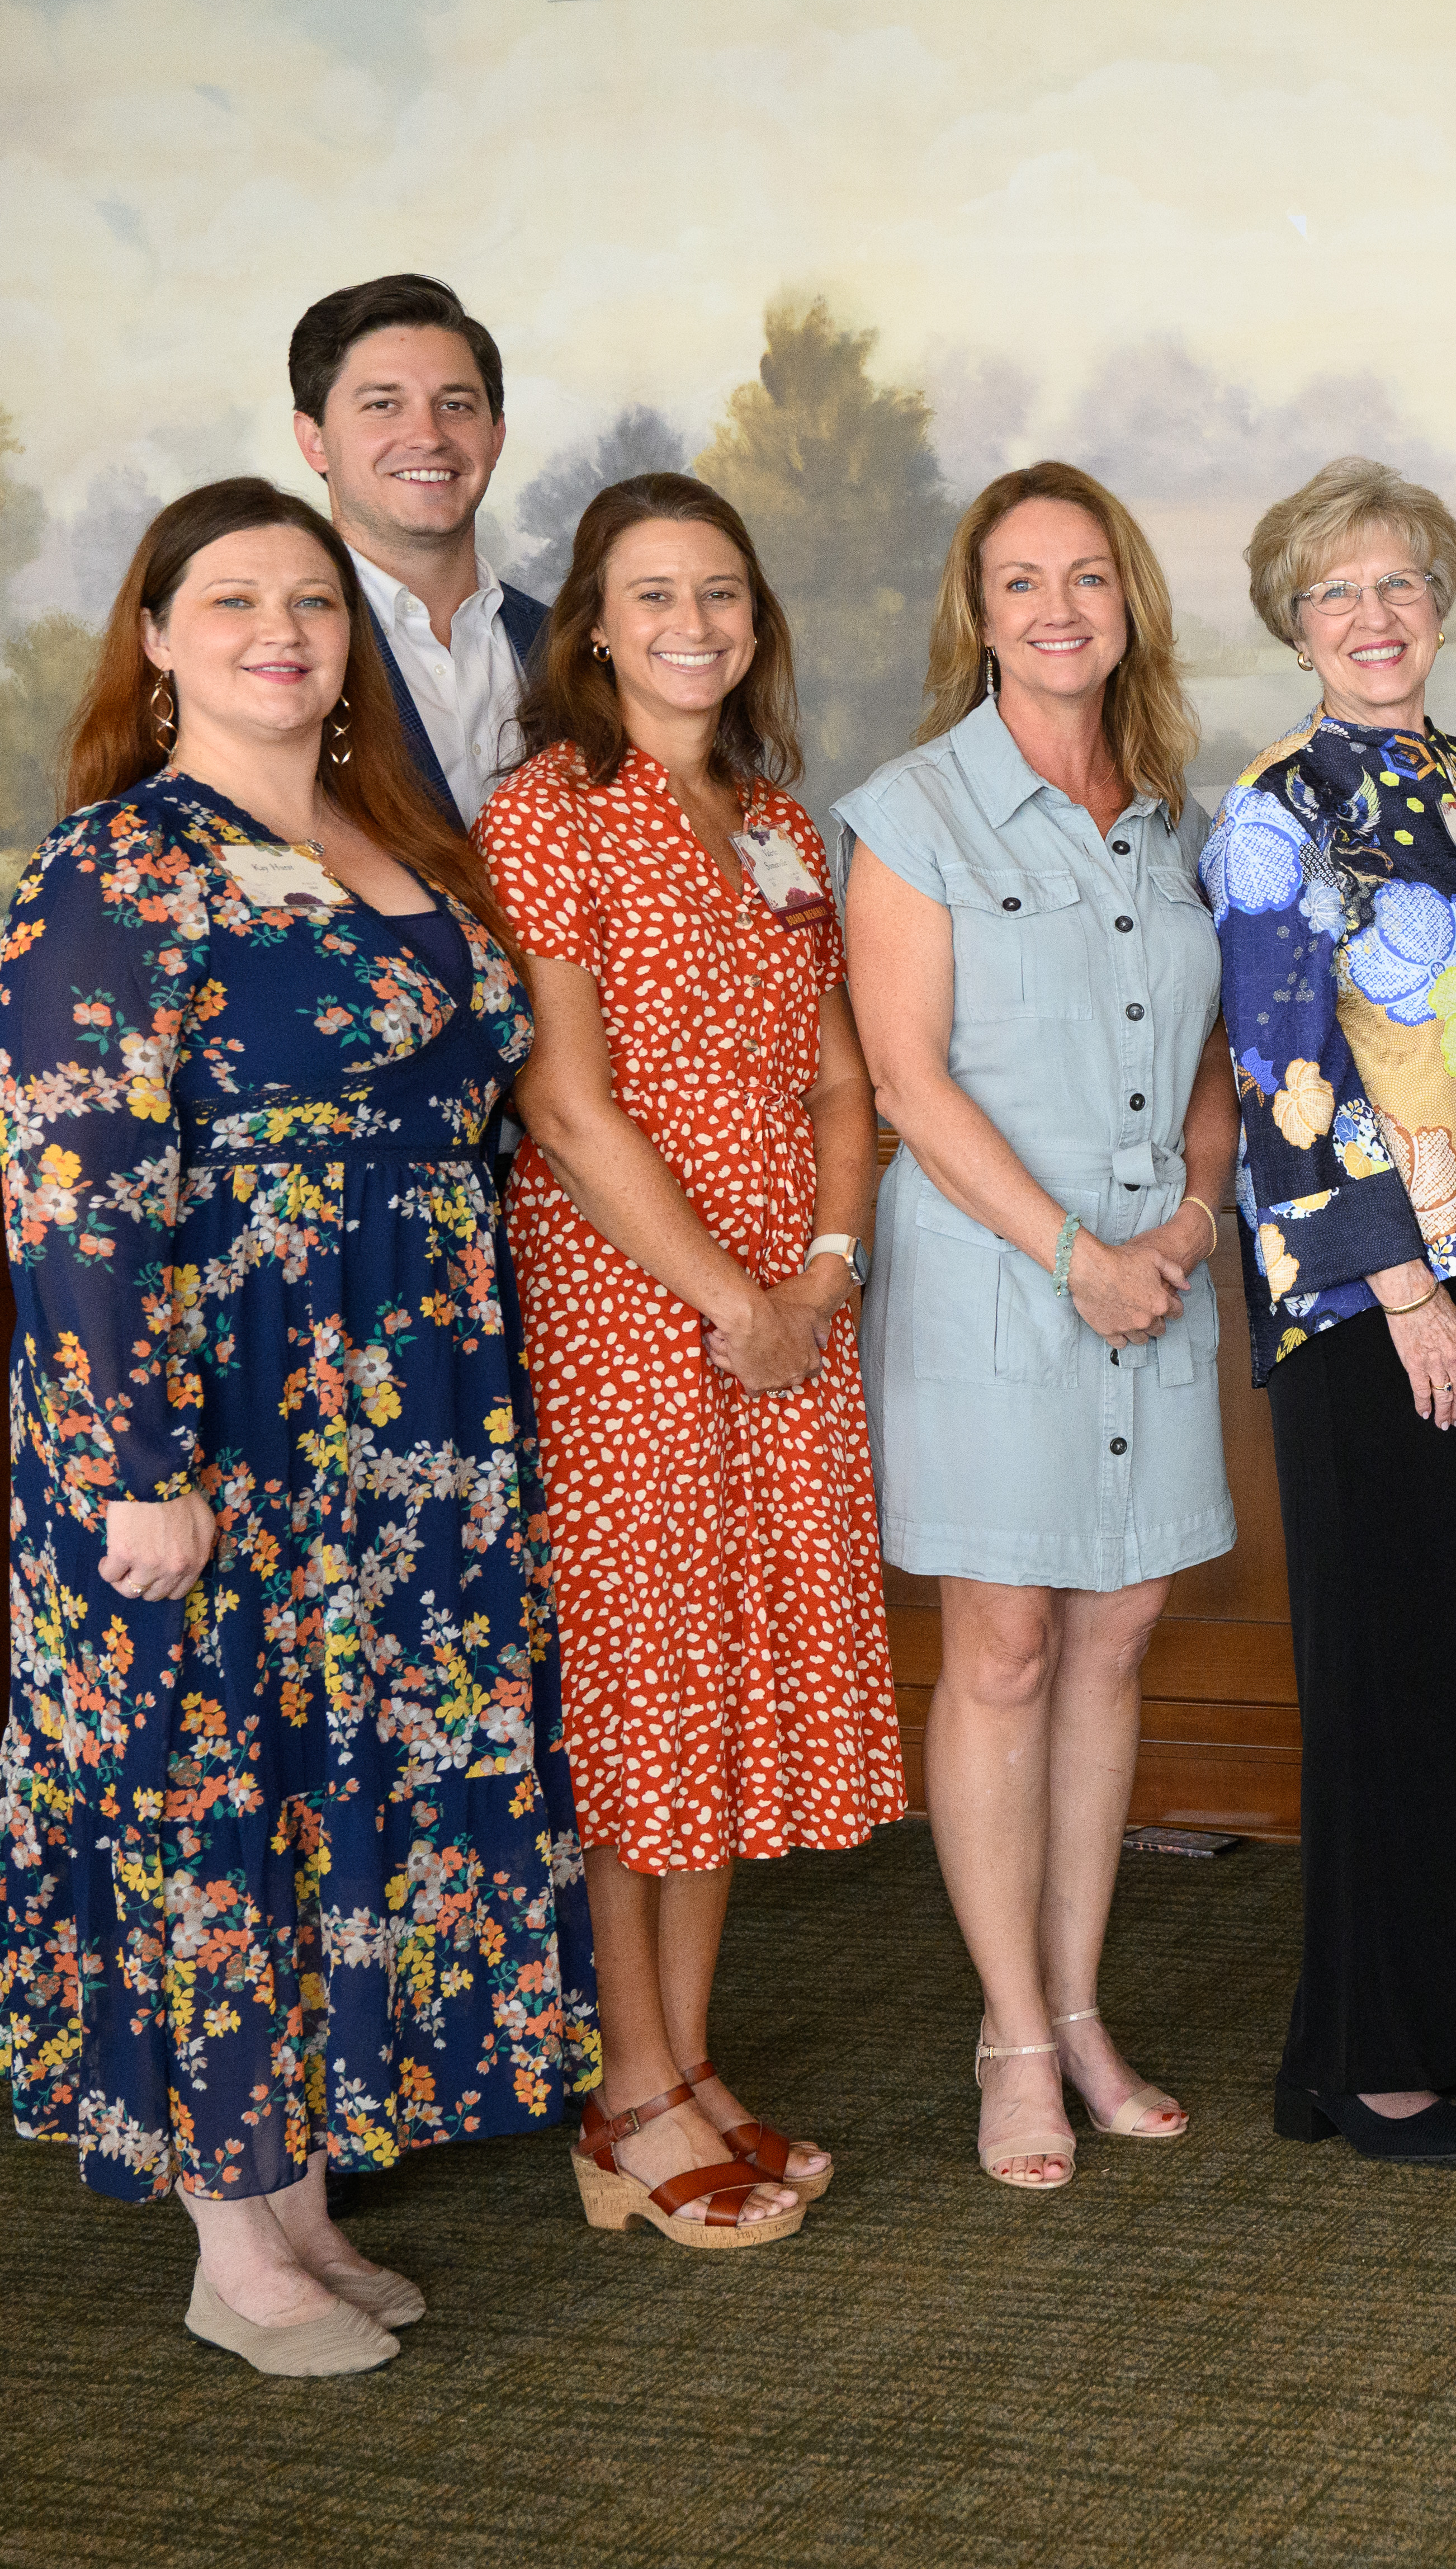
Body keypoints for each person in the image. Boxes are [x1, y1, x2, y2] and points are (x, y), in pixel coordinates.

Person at [0, 478, 593, 2374]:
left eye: (312, 602)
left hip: (413, 1409)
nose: (282, 631)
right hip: (217, 1412)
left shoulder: (387, 833)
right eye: (233, 600)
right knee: (206, 1793)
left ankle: (302, 2198)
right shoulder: (113, 874)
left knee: (355, 1796)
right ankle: (223, 2243)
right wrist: (132, 1470)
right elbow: (71, 1194)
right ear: (155, 637)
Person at [488, 472, 905, 2249]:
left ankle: (683, 2061)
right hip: (626, 1308)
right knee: (645, 1686)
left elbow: (837, 1081)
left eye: (720, 592)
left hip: (790, 1309)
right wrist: (723, 1301)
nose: (690, 624)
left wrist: (814, 1268)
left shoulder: (781, 823)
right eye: (651, 594)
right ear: (591, 624)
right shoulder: (544, 816)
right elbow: (566, 1105)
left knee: (725, 1680)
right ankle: (631, 2088)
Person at [839, 462, 1238, 2189]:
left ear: (1128, 599)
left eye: (1089, 574)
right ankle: (1009, 2035)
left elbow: (1219, 1060)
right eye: (1020, 581)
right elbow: (906, 1082)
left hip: (1161, 1273)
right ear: (976, 612)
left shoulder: (1171, 812)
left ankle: (1081, 2009)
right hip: (1000, 1278)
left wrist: (1196, 1219)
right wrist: (1076, 1254)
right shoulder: (910, 811)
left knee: (1116, 1637)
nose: (1058, 606)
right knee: (1001, 1647)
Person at [1203, 457, 1456, 2167]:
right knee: (1381, 1672)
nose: (1374, 618)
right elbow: (1282, 1071)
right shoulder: (1275, 809)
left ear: (1440, 605)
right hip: (1375, 1298)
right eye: (1336, 595)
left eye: (1401, 587)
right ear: (1295, 626)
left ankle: (1440, 2011)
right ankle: (1364, 2063)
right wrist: (1403, 1285)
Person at [287, 274, 548, 823]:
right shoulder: (268, 651)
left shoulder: (574, 650)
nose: (428, 435)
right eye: (383, 405)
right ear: (314, 441)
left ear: (495, 437)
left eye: (455, 405)